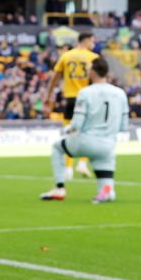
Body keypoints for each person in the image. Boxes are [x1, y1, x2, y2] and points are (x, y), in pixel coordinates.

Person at [40, 58, 129, 203]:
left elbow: (77, 124)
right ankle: (106, 191)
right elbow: (124, 126)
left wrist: (67, 130)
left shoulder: (85, 92)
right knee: (107, 186)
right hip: (108, 145)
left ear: (92, 72)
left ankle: (59, 187)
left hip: (86, 142)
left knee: (57, 147)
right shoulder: (120, 93)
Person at [43, 32, 98, 180]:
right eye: (92, 40)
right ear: (86, 41)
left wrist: (48, 96)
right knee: (89, 132)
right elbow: (98, 81)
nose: (94, 43)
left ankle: (68, 169)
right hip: (87, 98)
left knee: (70, 134)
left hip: (70, 100)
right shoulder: (93, 57)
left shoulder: (66, 56)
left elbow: (54, 78)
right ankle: (83, 162)